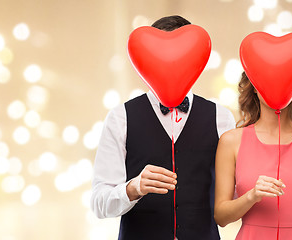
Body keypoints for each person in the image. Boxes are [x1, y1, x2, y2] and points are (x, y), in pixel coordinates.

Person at [91, 15, 236, 240]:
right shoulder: (121, 118)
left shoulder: (221, 118)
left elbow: (234, 196)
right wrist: (133, 188)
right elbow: (99, 204)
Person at [214, 72, 292, 239]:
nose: (275, 88)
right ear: (254, 88)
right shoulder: (231, 142)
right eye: (267, 79)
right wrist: (252, 196)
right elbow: (221, 217)